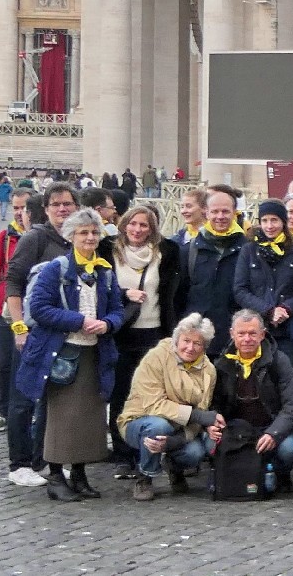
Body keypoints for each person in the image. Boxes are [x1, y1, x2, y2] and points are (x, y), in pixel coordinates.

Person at [18, 208, 126, 502]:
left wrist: (109, 323)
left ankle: (79, 474)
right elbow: (39, 308)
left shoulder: (104, 271)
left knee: (89, 418)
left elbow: (118, 309)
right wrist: (78, 321)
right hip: (62, 354)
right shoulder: (56, 268)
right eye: (83, 233)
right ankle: (55, 475)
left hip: (95, 354)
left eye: (94, 232)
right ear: (71, 236)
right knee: (61, 418)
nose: (90, 238)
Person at [0, 186, 79, 486]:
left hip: (62, 333)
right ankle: (19, 463)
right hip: (32, 331)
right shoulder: (35, 238)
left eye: (68, 204)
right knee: (23, 397)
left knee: (52, 399)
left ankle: (44, 458)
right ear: (45, 209)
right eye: (56, 204)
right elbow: (13, 283)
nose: (62, 209)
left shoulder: (79, 239)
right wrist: (19, 327)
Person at [107, 202, 184, 478]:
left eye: (144, 225)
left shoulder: (167, 252)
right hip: (120, 332)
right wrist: (122, 293)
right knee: (121, 393)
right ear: (124, 224)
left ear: (152, 229)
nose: (138, 230)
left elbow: (175, 292)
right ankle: (121, 453)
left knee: (152, 394)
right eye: (133, 224)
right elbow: (98, 287)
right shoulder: (108, 250)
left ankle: (149, 450)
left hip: (155, 332)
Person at [114, 314, 218, 501]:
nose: (190, 347)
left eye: (197, 343)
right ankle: (144, 477)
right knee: (158, 426)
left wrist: (175, 441)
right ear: (177, 339)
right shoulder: (156, 357)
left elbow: (200, 414)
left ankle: (174, 466)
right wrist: (195, 415)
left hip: (179, 428)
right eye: (186, 340)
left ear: (205, 347)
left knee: (195, 452)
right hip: (140, 421)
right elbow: (154, 404)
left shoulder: (209, 370)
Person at [209, 310, 293, 489]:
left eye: (252, 333)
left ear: (262, 334)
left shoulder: (278, 360)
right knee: (209, 442)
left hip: (270, 425)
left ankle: (280, 475)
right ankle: (227, 477)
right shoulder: (221, 364)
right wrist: (212, 421)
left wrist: (274, 432)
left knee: (289, 448)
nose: (247, 339)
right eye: (241, 334)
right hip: (235, 429)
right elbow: (211, 402)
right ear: (232, 334)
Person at [233, 199, 293, 372]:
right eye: (265, 220)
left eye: (274, 220)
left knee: (286, 375)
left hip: (288, 329)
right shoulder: (249, 251)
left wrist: (287, 308)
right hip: (256, 328)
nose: (269, 226)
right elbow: (240, 290)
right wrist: (268, 310)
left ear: (283, 222)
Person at [0, 191, 29, 437]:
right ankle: (5, 411)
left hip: (29, 309)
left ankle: (26, 410)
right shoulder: (3, 238)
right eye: (16, 208)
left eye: (24, 208)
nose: (20, 213)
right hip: (4, 309)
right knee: (6, 364)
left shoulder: (40, 237)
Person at [180, 186, 245, 354]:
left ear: (234, 212)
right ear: (206, 212)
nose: (220, 217)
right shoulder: (190, 250)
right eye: (215, 212)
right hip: (196, 340)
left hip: (234, 340)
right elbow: (180, 295)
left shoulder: (248, 250)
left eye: (225, 211)